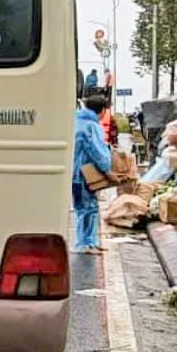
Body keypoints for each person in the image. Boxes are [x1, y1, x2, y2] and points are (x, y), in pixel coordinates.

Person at [73, 94, 114, 254]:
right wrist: (107, 170)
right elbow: (96, 150)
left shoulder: (77, 122)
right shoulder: (91, 126)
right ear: (102, 110)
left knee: (84, 207)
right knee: (88, 208)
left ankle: (90, 242)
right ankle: (85, 244)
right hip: (85, 173)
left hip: (75, 173)